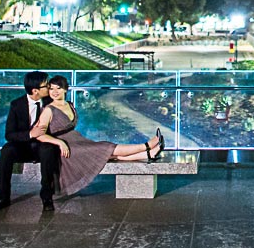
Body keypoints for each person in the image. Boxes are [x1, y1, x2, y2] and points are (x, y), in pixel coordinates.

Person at [33, 75, 164, 196]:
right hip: (66, 146)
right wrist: (59, 143)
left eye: (58, 88)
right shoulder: (49, 110)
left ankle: (148, 154)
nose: (54, 92)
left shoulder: (69, 105)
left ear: (65, 89)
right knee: (105, 148)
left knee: (105, 153)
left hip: (76, 140)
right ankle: (147, 145)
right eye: (51, 89)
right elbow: (39, 135)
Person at [0, 71, 60, 212]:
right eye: (46, 85)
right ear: (35, 91)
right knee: (7, 150)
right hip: (23, 146)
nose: (49, 87)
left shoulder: (51, 102)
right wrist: (30, 134)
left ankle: (47, 196)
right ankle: (3, 196)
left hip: (43, 145)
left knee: (48, 150)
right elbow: (9, 134)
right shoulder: (16, 105)